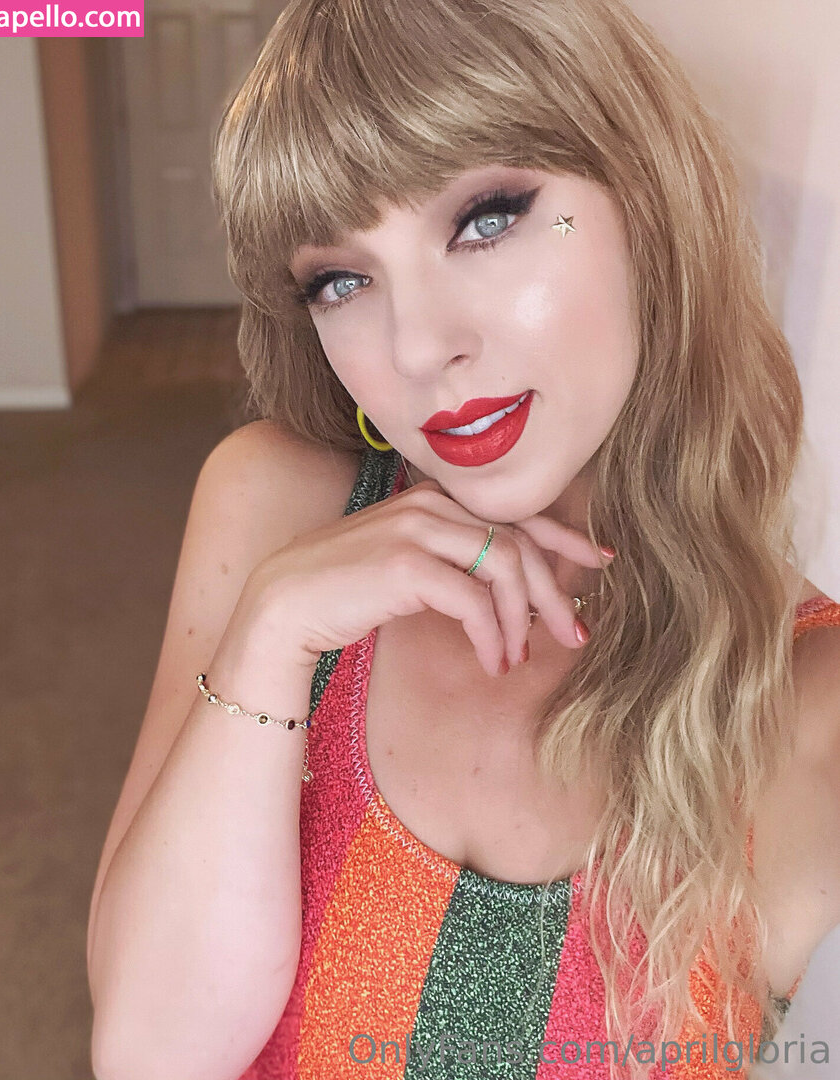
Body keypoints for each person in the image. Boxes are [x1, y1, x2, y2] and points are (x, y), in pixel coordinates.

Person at [86, 0, 840, 1078]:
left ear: (644, 196)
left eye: (485, 220)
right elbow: (150, 1058)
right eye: (343, 280)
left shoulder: (807, 698)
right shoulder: (274, 507)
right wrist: (271, 637)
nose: (417, 347)